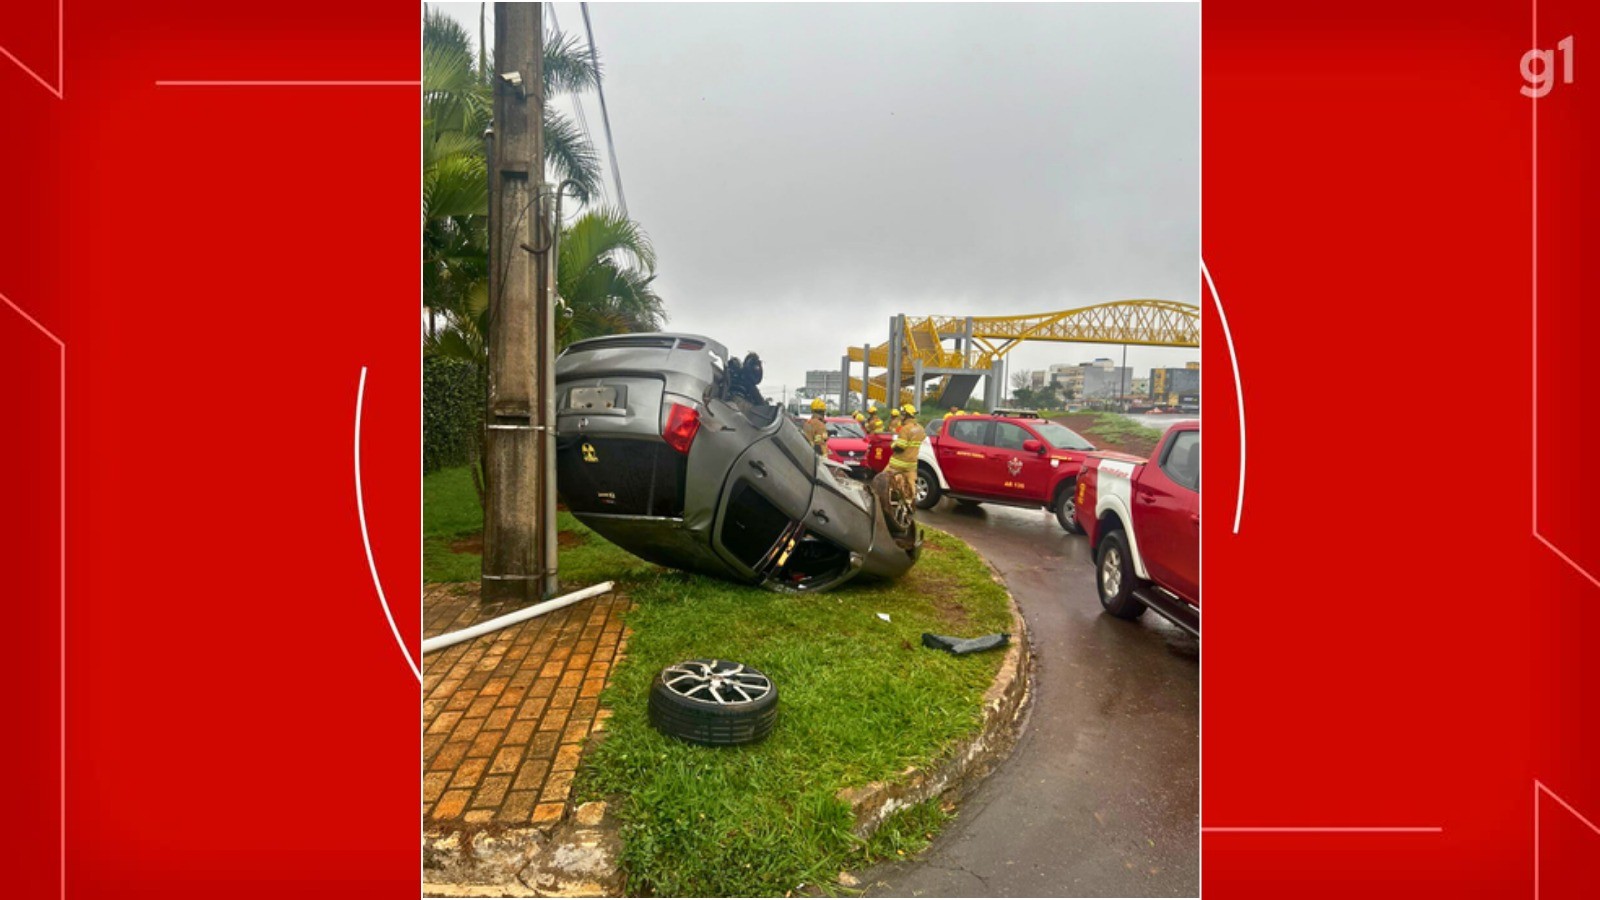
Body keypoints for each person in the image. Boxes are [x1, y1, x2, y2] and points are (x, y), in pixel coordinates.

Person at [888, 403, 927, 497]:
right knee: (911, 483)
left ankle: (894, 498)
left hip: (899, 462)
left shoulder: (905, 429)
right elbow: (922, 439)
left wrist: (892, 445)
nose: (901, 417)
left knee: (886, 479)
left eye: (902, 415)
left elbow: (900, 446)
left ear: (906, 415)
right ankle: (911, 502)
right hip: (912, 463)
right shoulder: (920, 428)